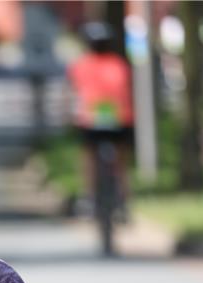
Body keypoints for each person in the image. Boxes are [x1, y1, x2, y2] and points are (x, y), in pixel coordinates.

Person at [67, 22, 134, 217]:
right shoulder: (119, 64)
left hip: (90, 120)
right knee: (120, 162)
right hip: (120, 119)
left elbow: (74, 91)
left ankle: (88, 196)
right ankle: (124, 200)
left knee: (88, 156)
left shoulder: (81, 65)